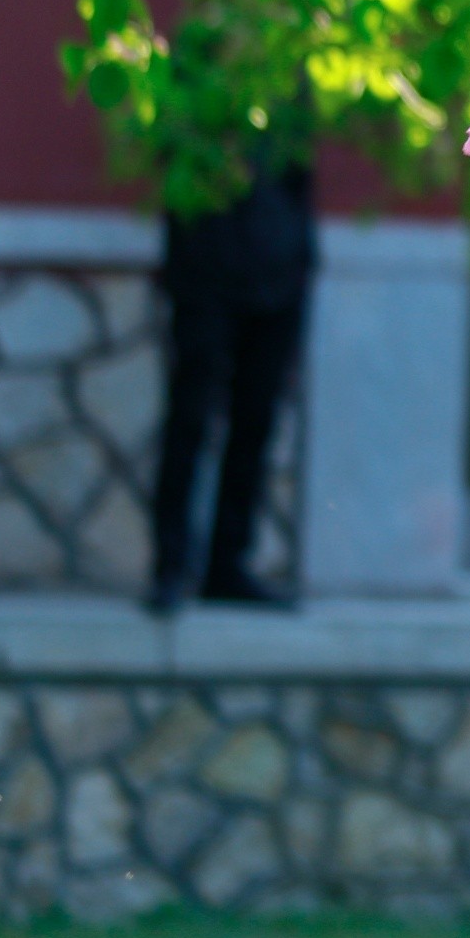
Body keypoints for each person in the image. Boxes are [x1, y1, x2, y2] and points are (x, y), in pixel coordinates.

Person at [147, 153, 315, 613]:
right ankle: (170, 565)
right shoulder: (192, 107)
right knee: (190, 419)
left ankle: (228, 564)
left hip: (278, 275)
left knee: (255, 422)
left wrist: (301, 262)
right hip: (205, 270)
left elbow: (300, 178)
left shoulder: (291, 112)